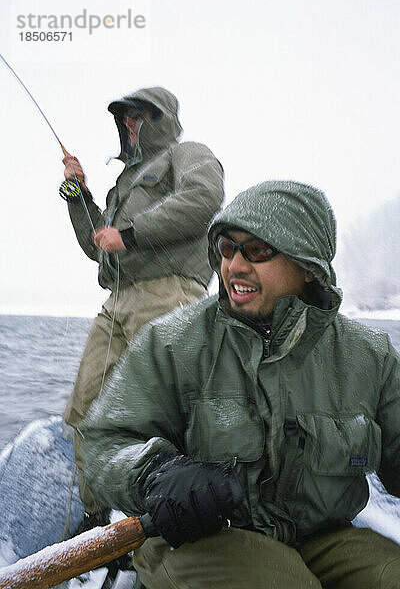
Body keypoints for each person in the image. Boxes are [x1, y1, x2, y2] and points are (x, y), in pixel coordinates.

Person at [80, 180, 400, 588]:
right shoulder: (173, 342)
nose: (235, 265)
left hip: (325, 538)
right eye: (227, 248)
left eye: (258, 250)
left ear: (309, 267)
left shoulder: (369, 356)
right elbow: (104, 442)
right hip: (201, 541)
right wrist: (155, 473)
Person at [61, 86, 224, 514]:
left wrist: (129, 234)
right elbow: (95, 242)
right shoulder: (124, 185)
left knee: (167, 414)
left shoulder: (187, 152)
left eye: (139, 115)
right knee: (84, 408)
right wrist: (78, 194)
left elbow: (205, 197)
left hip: (168, 292)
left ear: (160, 118)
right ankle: (97, 520)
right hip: (115, 301)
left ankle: (173, 519)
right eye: (125, 117)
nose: (129, 123)